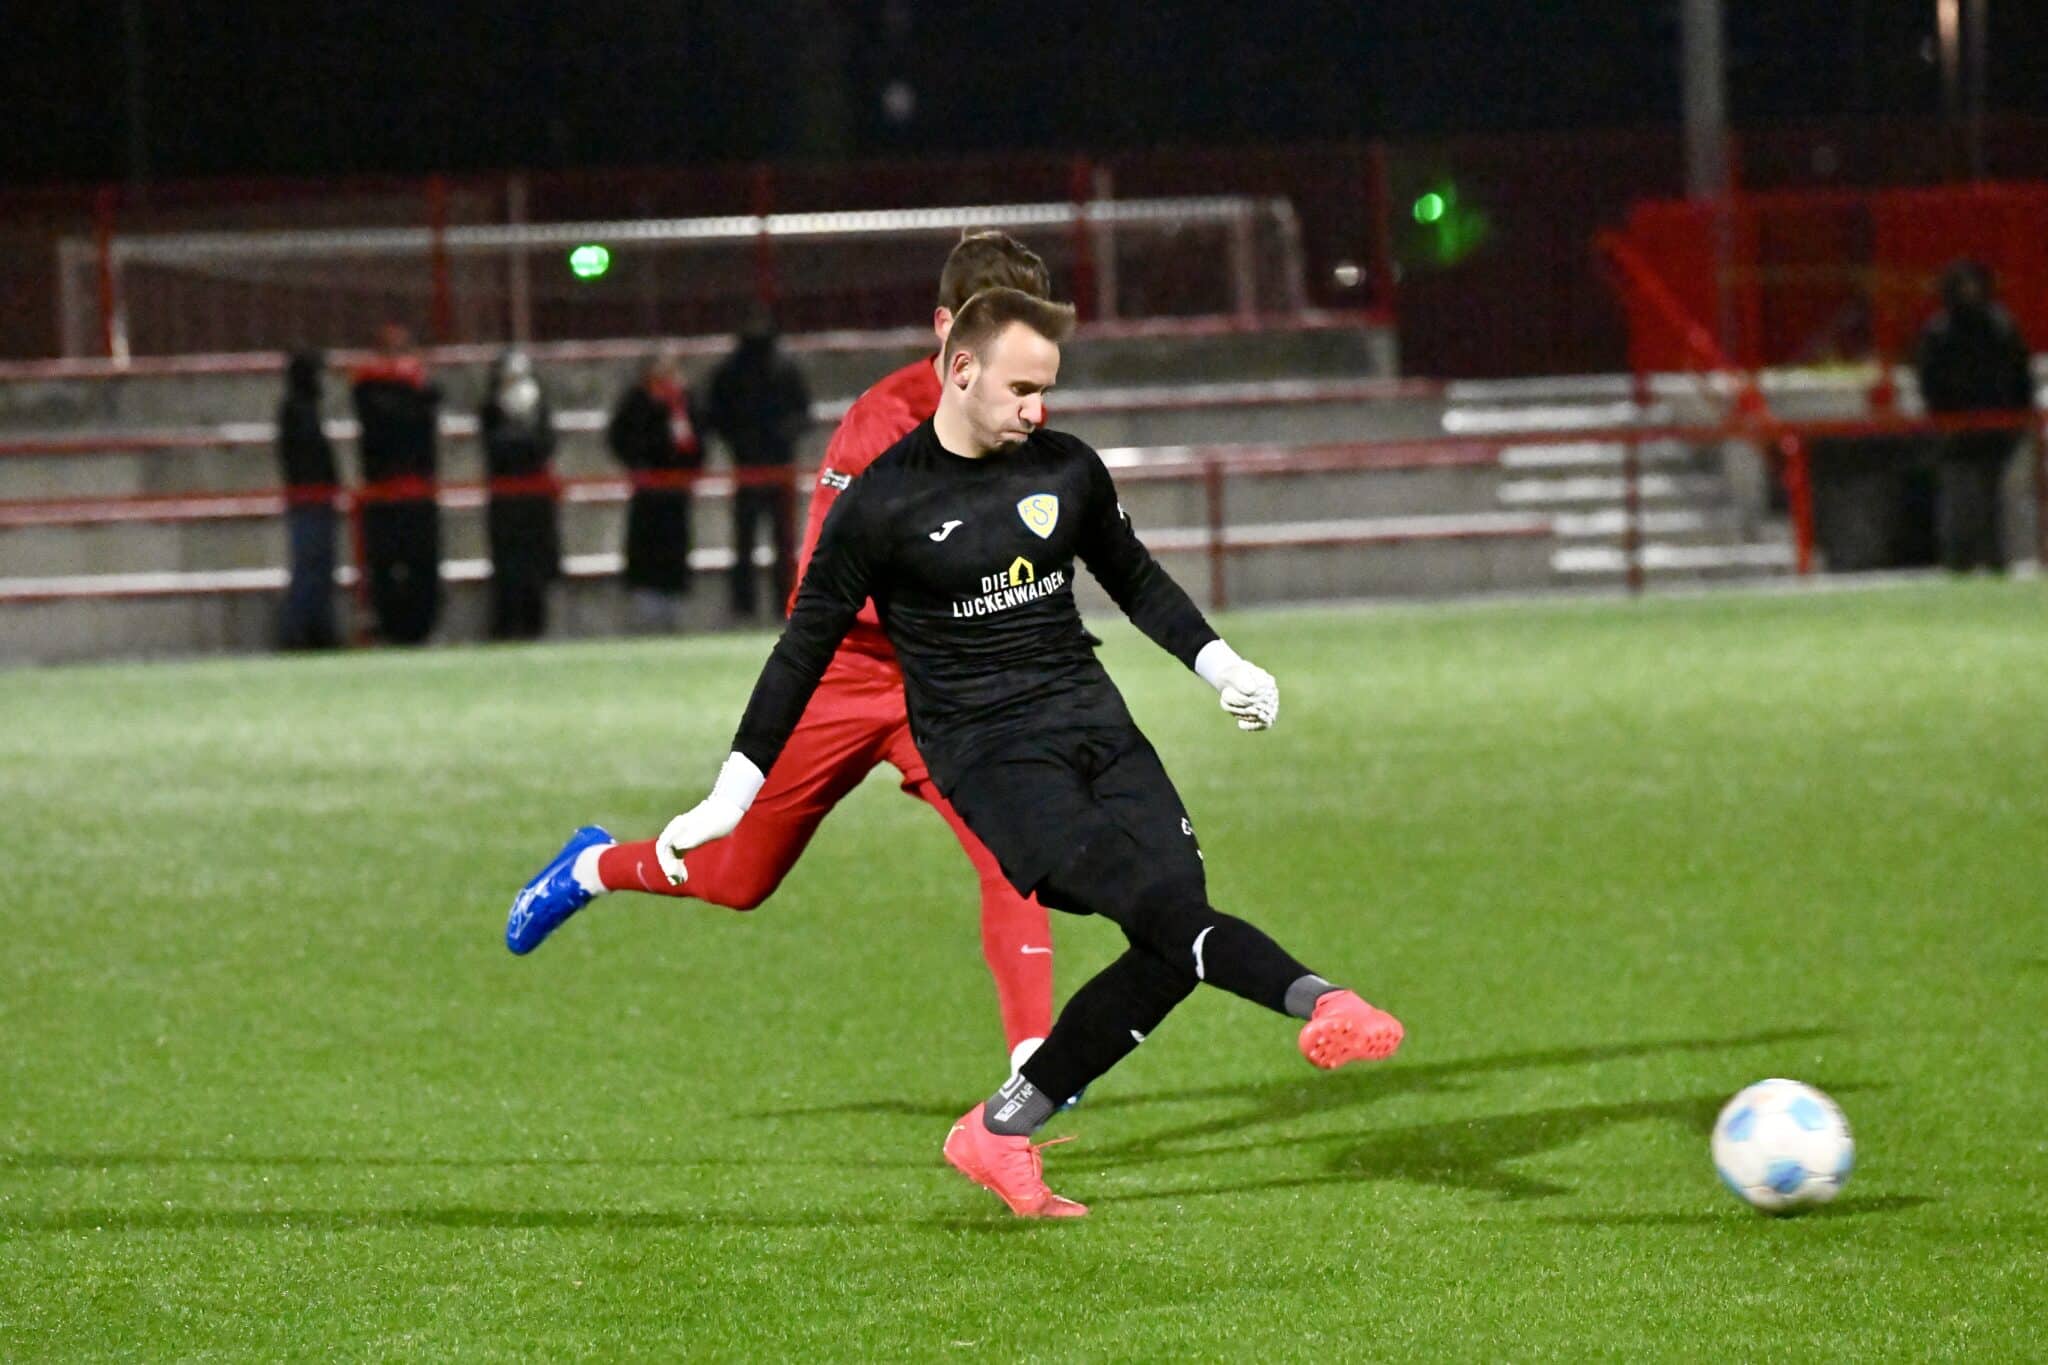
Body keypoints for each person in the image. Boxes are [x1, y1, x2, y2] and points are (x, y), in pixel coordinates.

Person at [598, 287, 1405, 1219]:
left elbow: (1135, 578)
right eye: (1023, 388)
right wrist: (732, 793)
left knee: (1171, 938)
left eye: (1048, 389)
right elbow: (802, 649)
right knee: (1157, 909)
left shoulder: (1066, 469)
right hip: (991, 758)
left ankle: (999, 1128)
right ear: (962, 368)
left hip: (1095, 722)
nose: (1039, 409)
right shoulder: (882, 502)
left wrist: (1221, 665)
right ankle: (1325, 1000)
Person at [508, 231, 1063, 1076]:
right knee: (737, 879)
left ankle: (1034, 1070)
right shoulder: (878, 426)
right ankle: (592, 866)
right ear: (948, 330)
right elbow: (823, 588)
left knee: (1015, 850)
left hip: (942, 685)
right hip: (848, 674)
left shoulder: (1016, 407)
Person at [1913, 260, 2035, 573]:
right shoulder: (1939, 331)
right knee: (1958, 499)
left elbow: (2020, 374)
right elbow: (1929, 379)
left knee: (1997, 502)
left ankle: (1996, 561)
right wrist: (1941, 418)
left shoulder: (2000, 326)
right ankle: (1958, 563)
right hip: (1955, 432)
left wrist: (2019, 418)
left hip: (1998, 429)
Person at [701, 307, 812, 619]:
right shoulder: (736, 371)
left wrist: (778, 438)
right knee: (749, 541)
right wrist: (743, 442)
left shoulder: (782, 369)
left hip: (775, 466)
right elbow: (717, 415)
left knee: (780, 541)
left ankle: (775, 605)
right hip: (749, 465)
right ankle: (748, 607)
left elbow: (802, 414)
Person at [350, 324, 443, 644]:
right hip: (384, 492)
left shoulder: (422, 388)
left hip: (417, 491)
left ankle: (420, 626)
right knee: (385, 565)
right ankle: (390, 625)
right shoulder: (370, 389)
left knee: (422, 563)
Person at [607, 350, 703, 628]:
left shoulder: (685, 401)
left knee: (675, 549)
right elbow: (620, 437)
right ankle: (645, 612)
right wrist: (638, 464)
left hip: (676, 492)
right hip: (648, 492)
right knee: (646, 551)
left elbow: (697, 440)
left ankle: (674, 611)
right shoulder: (637, 401)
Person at [479, 349, 561, 640]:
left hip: (535, 500)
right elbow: (495, 448)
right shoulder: (491, 409)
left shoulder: (540, 408)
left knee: (535, 567)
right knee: (507, 567)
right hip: (506, 500)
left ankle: (534, 624)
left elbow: (545, 445)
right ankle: (506, 625)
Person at [274, 349, 341, 650]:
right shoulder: (297, 410)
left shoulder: (302, 408)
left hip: (314, 496)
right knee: (310, 564)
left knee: (320, 564)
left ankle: (317, 627)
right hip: (308, 497)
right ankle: (300, 629)